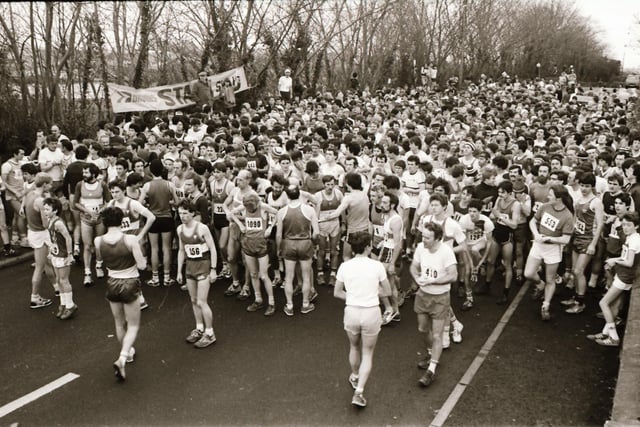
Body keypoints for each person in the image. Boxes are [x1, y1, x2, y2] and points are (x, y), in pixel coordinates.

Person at [333, 231, 392, 408]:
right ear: (367, 247)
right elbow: (387, 291)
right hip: (371, 312)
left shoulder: (345, 266)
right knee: (367, 353)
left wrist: (353, 297)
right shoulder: (377, 266)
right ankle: (359, 392)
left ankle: (354, 375)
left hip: (351, 311)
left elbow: (337, 292)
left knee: (353, 346)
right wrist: (372, 294)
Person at [95, 206, 147, 380]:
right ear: (121, 221)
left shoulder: (98, 240)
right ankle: (122, 358)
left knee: (119, 323)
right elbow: (141, 266)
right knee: (133, 325)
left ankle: (128, 352)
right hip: (130, 282)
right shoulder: (130, 239)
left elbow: (100, 259)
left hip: (112, 281)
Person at [410, 221, 458, 388]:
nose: (424, 240)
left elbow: (453, 275)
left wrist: (435, 281)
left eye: (428, 238)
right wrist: (417, 279)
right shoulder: (420, 248)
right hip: (423, 295)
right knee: (422, 329)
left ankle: (431, 370)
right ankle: (431, 353)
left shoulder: (446, 252)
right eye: (423, 236)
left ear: (438, 238)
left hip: (440, 298)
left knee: (437, 335)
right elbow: (414, 267)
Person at [588, 212, 640, 346]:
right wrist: (614, 259)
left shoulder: (634, 240)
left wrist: (614, 261)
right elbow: (625, 257)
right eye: (623, 225)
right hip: (622, 274)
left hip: (624, 276)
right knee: (614, 305)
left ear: (636, 226)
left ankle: (614, 337)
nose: (626, 228)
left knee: (603, 303)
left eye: (629, 225)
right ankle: (606, 333)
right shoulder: (631, 237)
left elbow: (629, 262)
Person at [525, 185, 574, 320]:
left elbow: (566, 239)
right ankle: (540, 286)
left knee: (550, 279)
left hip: (553, 249)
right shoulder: (545, 207)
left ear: (558, 198)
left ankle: (545, 306)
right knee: (528, 273)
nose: (548, 197)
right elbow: (533, 221)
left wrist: (549, 239)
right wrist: (536, 234)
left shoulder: (568, 216)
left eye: (551, 195)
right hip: (538, 245)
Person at [176, 200, 218, 348]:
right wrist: (179, 271)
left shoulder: (202, 228)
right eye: (180, 213)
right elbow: (182, 250)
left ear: (193, 213)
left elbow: (213, 248)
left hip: (203, 265)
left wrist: (213, 269)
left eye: (185, 213)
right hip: (190, 267)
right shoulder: (180, 229)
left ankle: (210, 333)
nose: (182, 216)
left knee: (202, 301)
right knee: (193, 300)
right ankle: (199, 328)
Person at [228, 191, 278, 316]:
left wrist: (270, 227)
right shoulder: (244, 207)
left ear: (256, 203)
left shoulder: (263, 207)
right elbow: (231, 213)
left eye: (252, 207)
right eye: (248, 207)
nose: (249, 209)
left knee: (263, 275)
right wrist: (240, 224)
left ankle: (271, 303)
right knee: (253, 274)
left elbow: (278, 213)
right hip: (248, 245)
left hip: (261, 245)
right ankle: (258, 299)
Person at [275, 184, 320, 315]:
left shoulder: (281, 211)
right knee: (306, 276)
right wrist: (314, 245)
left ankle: (289, 306)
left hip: (288, 244)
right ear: (299, 194)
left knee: (289, 277)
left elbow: (278, 234)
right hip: (305, 243)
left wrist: (279, 249)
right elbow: (316, 232)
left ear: (287, 195)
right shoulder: (309, 210)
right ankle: (305, 304)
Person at [138, 159, 179, 287]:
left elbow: (139, 204)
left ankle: (155, 277)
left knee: (154, 248)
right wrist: (169, 202)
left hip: (152, 219)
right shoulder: (169, 185)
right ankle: (167, 277)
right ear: (162, 169)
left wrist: (148, 203)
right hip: (167, 217)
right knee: (166, 248)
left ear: (151, 171)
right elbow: (177, 203)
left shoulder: (147, 186)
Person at [73, 163, 110, 286]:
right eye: (83, 172)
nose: (84, 175)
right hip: (85, 219)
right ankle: (87, 273)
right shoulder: (79, 185)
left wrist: (100, 211)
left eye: (86, 172)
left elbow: (109, 202)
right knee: (87, 246)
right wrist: (88, 211)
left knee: (98, 244)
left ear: (93, 174)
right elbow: (75, 204)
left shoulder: (102, 185)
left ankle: (99, 265)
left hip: (99, 219)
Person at [23, 173, 56, 309]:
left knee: (48, 262)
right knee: (40, 267)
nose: (52, 185)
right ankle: (35, 298)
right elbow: (44, 224)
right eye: (50, 183)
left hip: (32, 231)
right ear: (44, 185)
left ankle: (57, 287)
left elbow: (23, 210)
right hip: (40, 234)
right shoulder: (40, 201)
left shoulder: (30, 194)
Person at [43, 197, 76, 319]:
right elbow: (53, 238)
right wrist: (51, 251)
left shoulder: (58, 222)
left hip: (63, 255)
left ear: (55, 211)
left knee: (64, 280)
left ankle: (70, 305)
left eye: (47, 209)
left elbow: (68, 238)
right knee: (58, 280)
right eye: (44, 209)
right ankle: (63, 304)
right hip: (56, 253)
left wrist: (70, 254)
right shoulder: (50, 220)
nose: (45, 211)